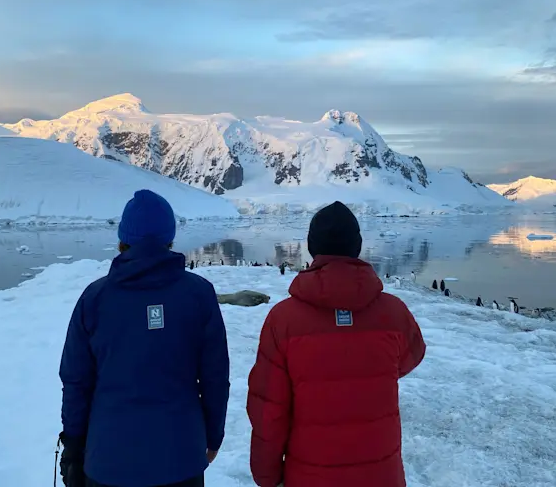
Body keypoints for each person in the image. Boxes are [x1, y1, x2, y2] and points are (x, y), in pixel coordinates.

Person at [247, 201, 426, 487]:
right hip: (381, 475)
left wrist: (267, 477)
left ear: (311, 247)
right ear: (356, 245)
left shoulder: (284, 320)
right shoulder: (394, 312)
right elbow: (411, 356)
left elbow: (269, 410)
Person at [59, 190, 230, 487]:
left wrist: (73, 446)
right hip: (181, 460)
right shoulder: (198, 294)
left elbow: (76, 382)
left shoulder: (95, 299)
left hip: (109, 463)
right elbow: (215, 377)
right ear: (169, 238)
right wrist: (213, 435)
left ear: (123, 239)